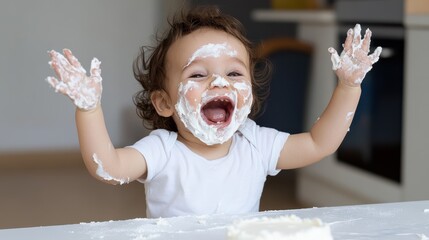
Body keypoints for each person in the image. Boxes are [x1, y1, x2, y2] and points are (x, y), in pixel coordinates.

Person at [46, 6, 381, 218]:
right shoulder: (163, 149)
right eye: (198, 74)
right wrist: (88, 109)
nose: (220, 82)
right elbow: (110, 168)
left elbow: (319, 143)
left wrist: (349, 87)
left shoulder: (255, 143)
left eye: (234, 74)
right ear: (164, 102)